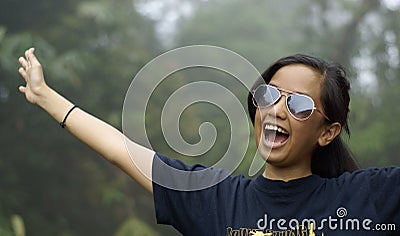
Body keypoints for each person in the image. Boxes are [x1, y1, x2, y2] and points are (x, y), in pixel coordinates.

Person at [18, 48, 399, 235]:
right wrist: (47, 97)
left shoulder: (368, 197)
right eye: (269, 95)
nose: (277, 110)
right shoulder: (215, 200)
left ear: (327, 132)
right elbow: (123, 150)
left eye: (298, 105)